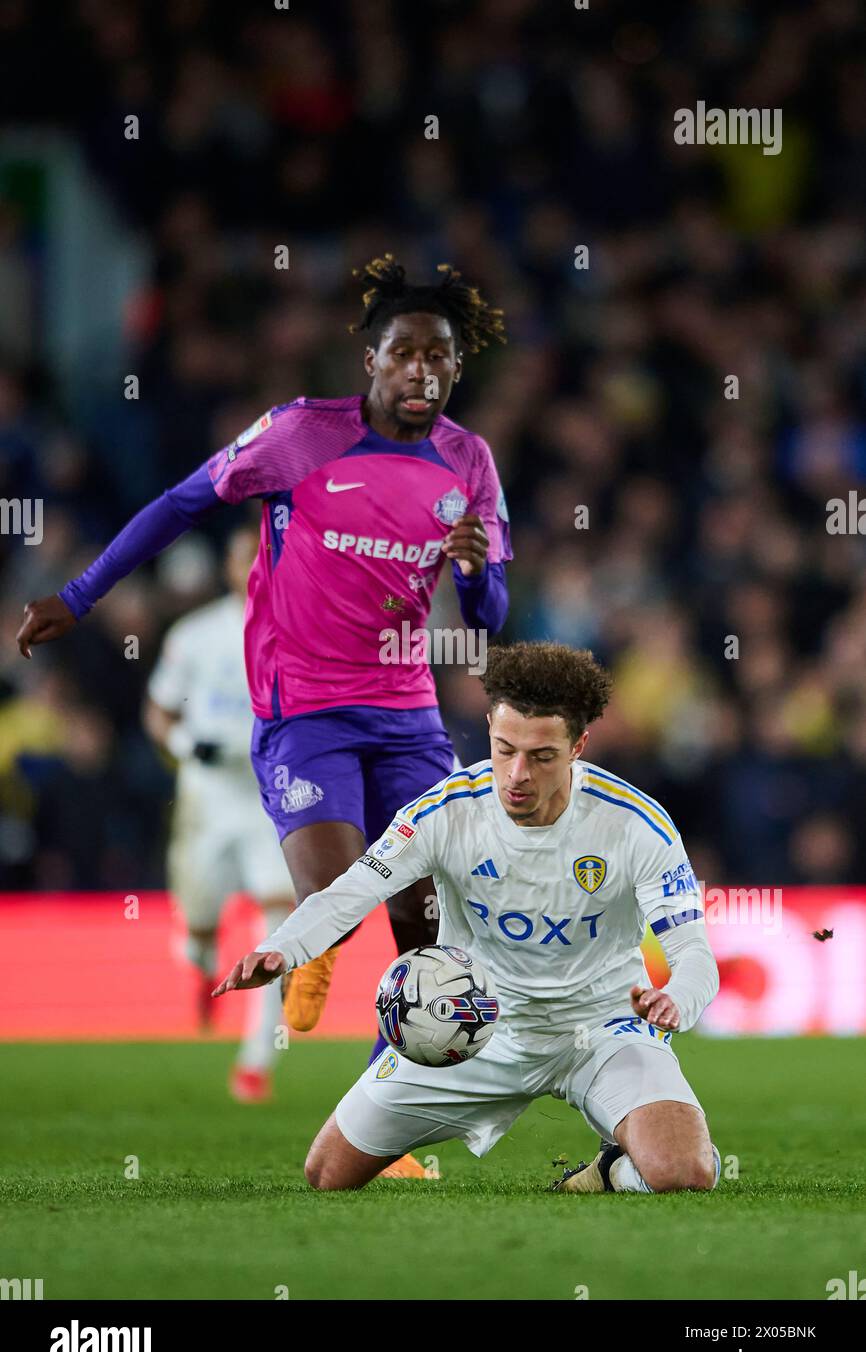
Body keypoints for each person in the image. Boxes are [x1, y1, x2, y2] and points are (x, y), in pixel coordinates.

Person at [16, 254, 511, 1177]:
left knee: (429, 927)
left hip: (407, 714)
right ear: (370, 359)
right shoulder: (297, 437)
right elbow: (179, 505)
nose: (423, 372)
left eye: (440, 358)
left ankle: (386, 1126)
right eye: (405, 353)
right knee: (333, 901)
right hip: (307, 713)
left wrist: (480, 572)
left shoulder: (468, 461)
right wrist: (78, 598)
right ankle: (322, 939)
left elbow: (488, 621)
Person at [214, 641, 721, 1195]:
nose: (517, 774)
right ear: (488, 728)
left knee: (684, 1173)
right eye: (504, 749)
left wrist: (678, 999)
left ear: (579, 744)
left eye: (542, 756)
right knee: (327, 1174)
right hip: (474, 1026)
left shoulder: (636, 824)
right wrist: (284, 949)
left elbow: (693, 953)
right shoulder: (447, 811)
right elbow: (350, 891)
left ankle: (610, 1169)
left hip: (603, 1028)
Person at [144, 527, 294, 1103]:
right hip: (207, 795)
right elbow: (157, 711)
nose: (255, 567)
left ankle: (255, 1062)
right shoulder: (196, 634)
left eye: (266, 557)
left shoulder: (303, 632)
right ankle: (202, 956)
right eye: (245, 558)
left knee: (277, 923)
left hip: (268, 793)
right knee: (200, 919)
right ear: (229, 567)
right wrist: (183, 744)